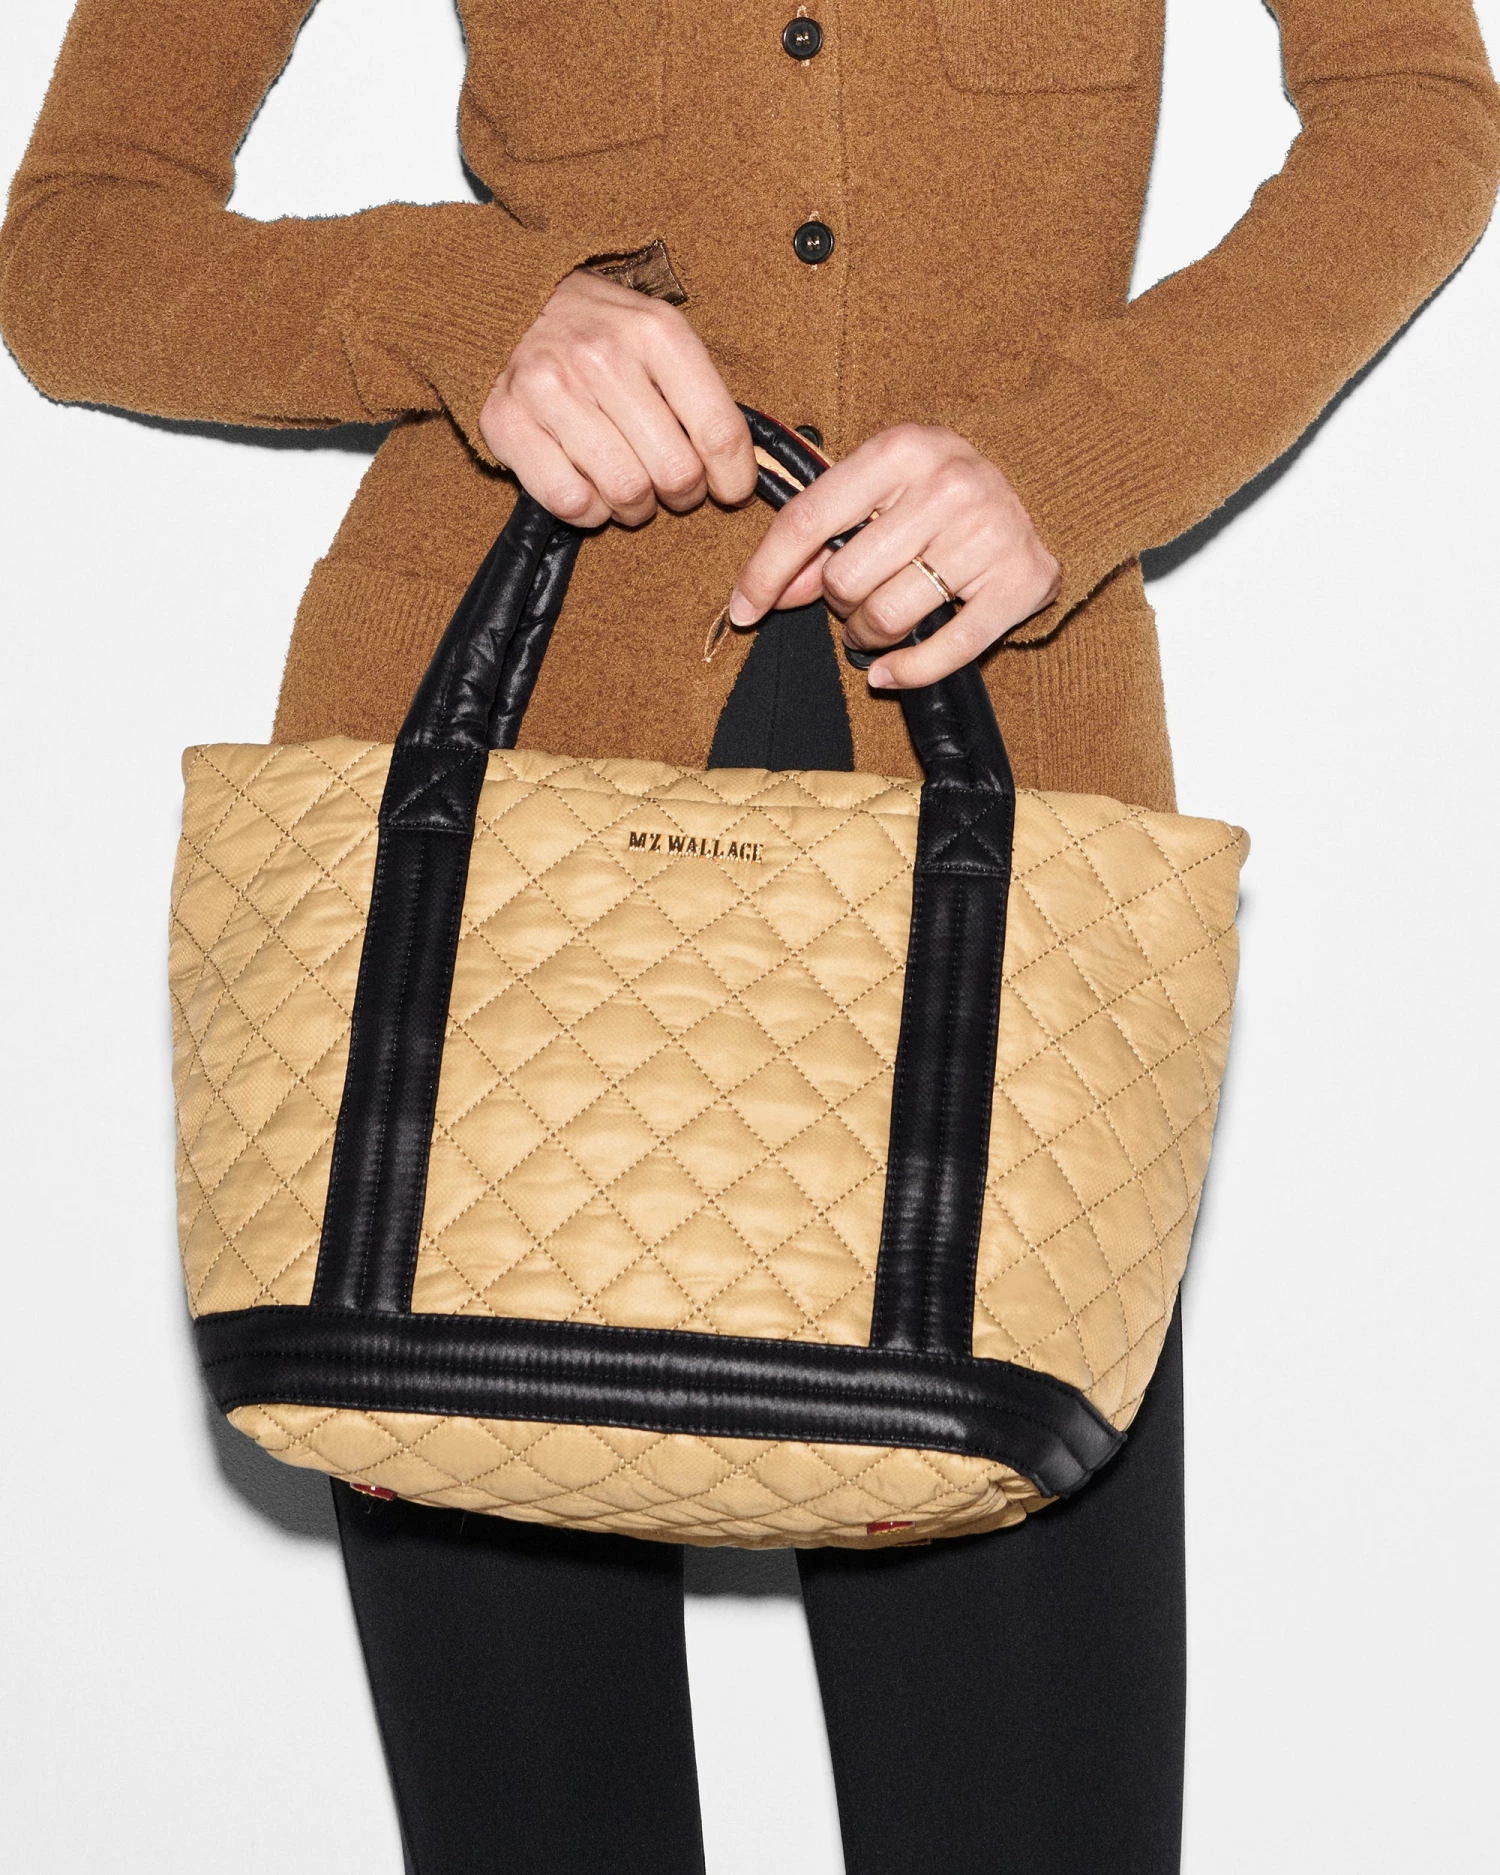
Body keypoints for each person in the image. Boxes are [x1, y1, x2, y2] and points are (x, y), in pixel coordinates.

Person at [3, 3, 1497, 1871]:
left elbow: (1416, 109)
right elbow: (75, 245)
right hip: (480, 917)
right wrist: (472, 312)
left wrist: (1077, 455)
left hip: (1006, 890)